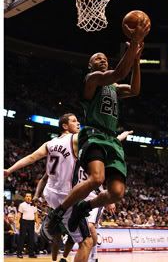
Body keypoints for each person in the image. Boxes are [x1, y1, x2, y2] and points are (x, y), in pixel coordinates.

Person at [46, 19, 150, 234]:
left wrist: (137, 60)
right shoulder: (92, 79)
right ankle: (58, 213)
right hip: (93, 135)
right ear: (90, 65)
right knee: (97, 178)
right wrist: (134, 41)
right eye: (97, 59)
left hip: (112, 139)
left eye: (104, 58)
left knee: (117, 193)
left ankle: (85, 206)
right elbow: (119, 73)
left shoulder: (113, 86)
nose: (102, 60)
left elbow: (135, 90)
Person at [4, 113, 94, 262]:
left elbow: (31, 157)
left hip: (50, 193)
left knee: (72, 230)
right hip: (65, 196)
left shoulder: (50, 143)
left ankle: (58, 221)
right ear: (64, 126)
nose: (78, 124)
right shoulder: (75, 139)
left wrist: (10, 170)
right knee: (87, 242)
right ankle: (60, 222)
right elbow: (97, 135)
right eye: (74, 121)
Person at [16, 192, 39, 258]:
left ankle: (31, 254)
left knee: (31, 238)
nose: (28, 197)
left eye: (29, 196)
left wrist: (37, 222)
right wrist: (17, 223)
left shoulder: (34, 205)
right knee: (22, 238)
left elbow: (35, 214)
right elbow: (19, 214)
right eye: (27, 196)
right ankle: (19, 253)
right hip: (24, 222)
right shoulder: (22, 205)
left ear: (31, 198)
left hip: (31, 223)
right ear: (25, 198)